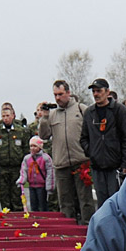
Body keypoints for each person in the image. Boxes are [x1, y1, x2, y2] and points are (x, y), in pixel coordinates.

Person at [38, 79, 94, 224]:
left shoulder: (81, 109)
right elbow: (43, 136)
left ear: (68, 93)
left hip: (81, 162)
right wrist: (44, 117)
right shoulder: (52, 115)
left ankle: (88, 228)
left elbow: (92, 133)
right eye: (55, 95)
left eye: (60, 94)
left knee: (85, 200)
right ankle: (69, 230)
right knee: (65, 201)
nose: (57, 98)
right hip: (61, 164)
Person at [80, 78, 126, 208]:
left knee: (116, 203)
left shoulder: (119, 111)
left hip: (115, 166)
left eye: (99, 91)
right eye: (94, 91)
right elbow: (83, 138)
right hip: (97, 166)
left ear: (107, 92)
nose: (96, 94)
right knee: (102, 204)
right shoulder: (89, 113)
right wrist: (92, 152)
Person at [0, 105, 31, 211]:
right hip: (2, 167)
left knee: (17, 193)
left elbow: (26, 149)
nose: (5, 118)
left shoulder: (21, 131)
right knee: (4, 194)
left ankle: (18, 214)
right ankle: (6, 214)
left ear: (13, 116)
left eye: (8, 115)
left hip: (17, 167)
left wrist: (25, 166)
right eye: (3, 116)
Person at [16, 136, 54, 212]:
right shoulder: (27, 158)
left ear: (40, 147)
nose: (32, 148)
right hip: (32, 185)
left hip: (42, 186)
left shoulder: (45, 158)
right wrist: (22, 181)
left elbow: (50, 173)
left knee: (42, 205)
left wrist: (49, 187)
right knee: (34, 205)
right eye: (31, 146)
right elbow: (24, 170)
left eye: (35, 146)